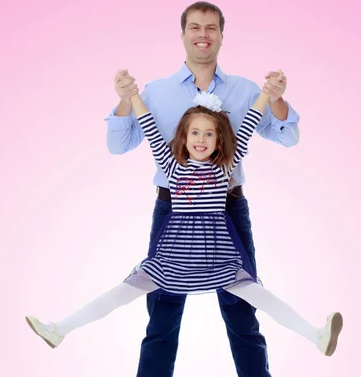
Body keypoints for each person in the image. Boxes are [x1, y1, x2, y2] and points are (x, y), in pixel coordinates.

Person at [25, 81, 343, 360]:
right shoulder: (172, 166)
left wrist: (265, 94)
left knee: (264, 299)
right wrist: (132, 95)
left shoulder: (225, 167)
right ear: (184, 135)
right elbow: (149, 126)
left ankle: (317, 335)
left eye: (209, 134)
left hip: (216, 260)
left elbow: (247, 125)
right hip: (172, 259)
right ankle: (59, 329)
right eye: (195, 132)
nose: (201, 139)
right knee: (118, 295)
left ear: (220, 141)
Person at [107, 1, 301, 377]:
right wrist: (123, 98)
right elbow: (119, 144)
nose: (203, 35)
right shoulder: (156, 92)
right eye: (195, 27)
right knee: (162, 312)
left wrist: (275, 99)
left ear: (222, 37)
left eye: (211, 28)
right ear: (182, 35)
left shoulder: (246, 91)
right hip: (172, 210)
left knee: (242, 309)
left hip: (228, 209)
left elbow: (288, 135)